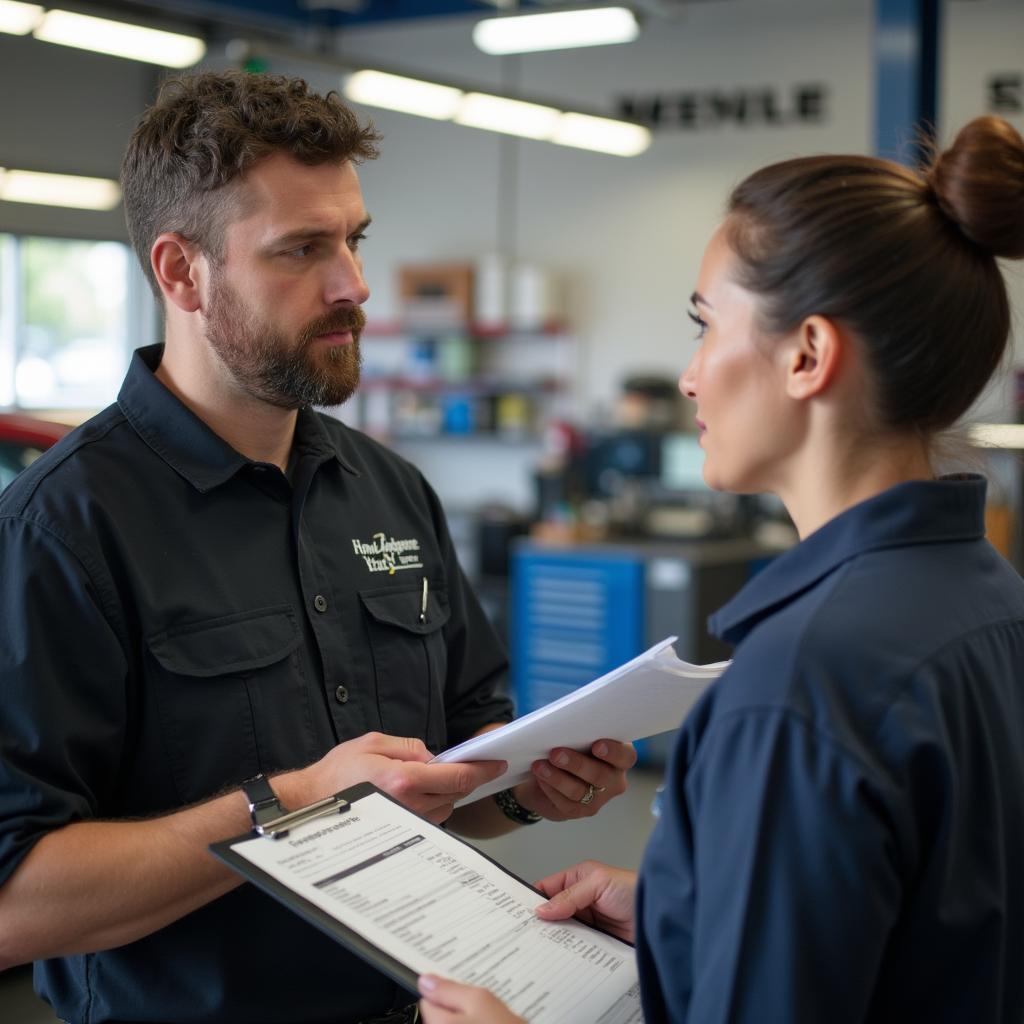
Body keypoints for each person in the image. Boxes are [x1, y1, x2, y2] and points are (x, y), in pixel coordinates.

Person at [0, 71, 636, 1024]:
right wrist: (288, 801)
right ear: (181, 273)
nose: (354, 285)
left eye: (353, 239)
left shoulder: (391, 491)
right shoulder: (64, 529)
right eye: (301, 249)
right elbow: (14, 906)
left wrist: (529, 792)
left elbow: (448, 789)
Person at [417, 115, 1024, 1024]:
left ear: (808, 355)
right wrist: (692, 914)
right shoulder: (989, 599)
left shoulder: (805, 679)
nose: (692, 377)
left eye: (706, 327)